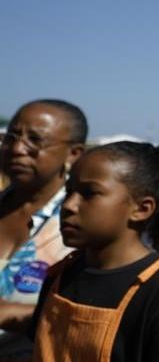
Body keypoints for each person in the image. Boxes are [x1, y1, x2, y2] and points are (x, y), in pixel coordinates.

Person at [27, 141, 159, 362]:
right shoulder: (62, 274)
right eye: (69, 191)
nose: (69, 205)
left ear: (141, 209)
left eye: (90, 193)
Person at [0, 100, 87, 360]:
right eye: (11, 137)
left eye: (35, 140)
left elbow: (91, 311)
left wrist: (13, 312)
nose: (17, 149)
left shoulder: (81, 227)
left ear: (74, 153)